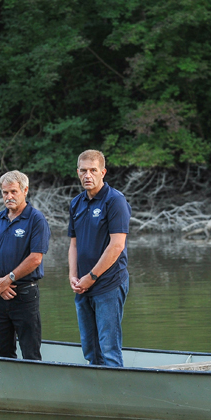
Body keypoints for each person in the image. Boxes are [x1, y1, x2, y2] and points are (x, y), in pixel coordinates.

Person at [68, 149, 131, 366]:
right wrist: (73, 275)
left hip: (108, 283)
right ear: (78, 172)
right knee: (90, 348)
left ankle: (118, 396)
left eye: (93, 170)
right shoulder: (76, 203)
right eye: (83, 170)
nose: (88, 175)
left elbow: (117, 245)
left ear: (103, 172)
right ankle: (97, 395)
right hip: (83, 285)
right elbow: (73, 243)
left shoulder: (115, 201)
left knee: (109, 348)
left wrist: (92, 277)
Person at [0, 170, 51, 360]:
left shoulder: (36, 219)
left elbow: (36, 258)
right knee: (1, 351)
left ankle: (33, 388)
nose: (9, 196)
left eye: (13, 191)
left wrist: (9, 279)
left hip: (24, 294)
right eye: (5, 193)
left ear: (25, 190)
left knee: (30, 352)